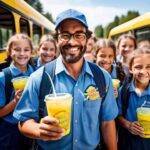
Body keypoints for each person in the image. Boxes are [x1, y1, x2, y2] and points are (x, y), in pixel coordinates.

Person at [13, 9, 118, 150]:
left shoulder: (102, 77)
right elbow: (23, 121)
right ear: (57, 39)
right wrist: (39, 130)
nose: (72, 42)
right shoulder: (39, 77)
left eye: (79, 35)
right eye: (65, 35)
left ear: (86, 38)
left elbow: (107, 122)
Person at [0, 33, 34, 149]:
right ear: (9, 51)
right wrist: (15, 101)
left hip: (31, 126)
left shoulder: (35, 74)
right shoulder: (3, 77)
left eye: (26, 50)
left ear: (31, 52)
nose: (22, 54)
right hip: (10, 130)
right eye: (17, 49)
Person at [117, 48, 150, 150]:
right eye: (138, 67)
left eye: (148, 67)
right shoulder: (124, 91)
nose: (143, 71)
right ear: (131, 69)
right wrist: (128, 125)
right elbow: (117, 115)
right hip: (128, 143)